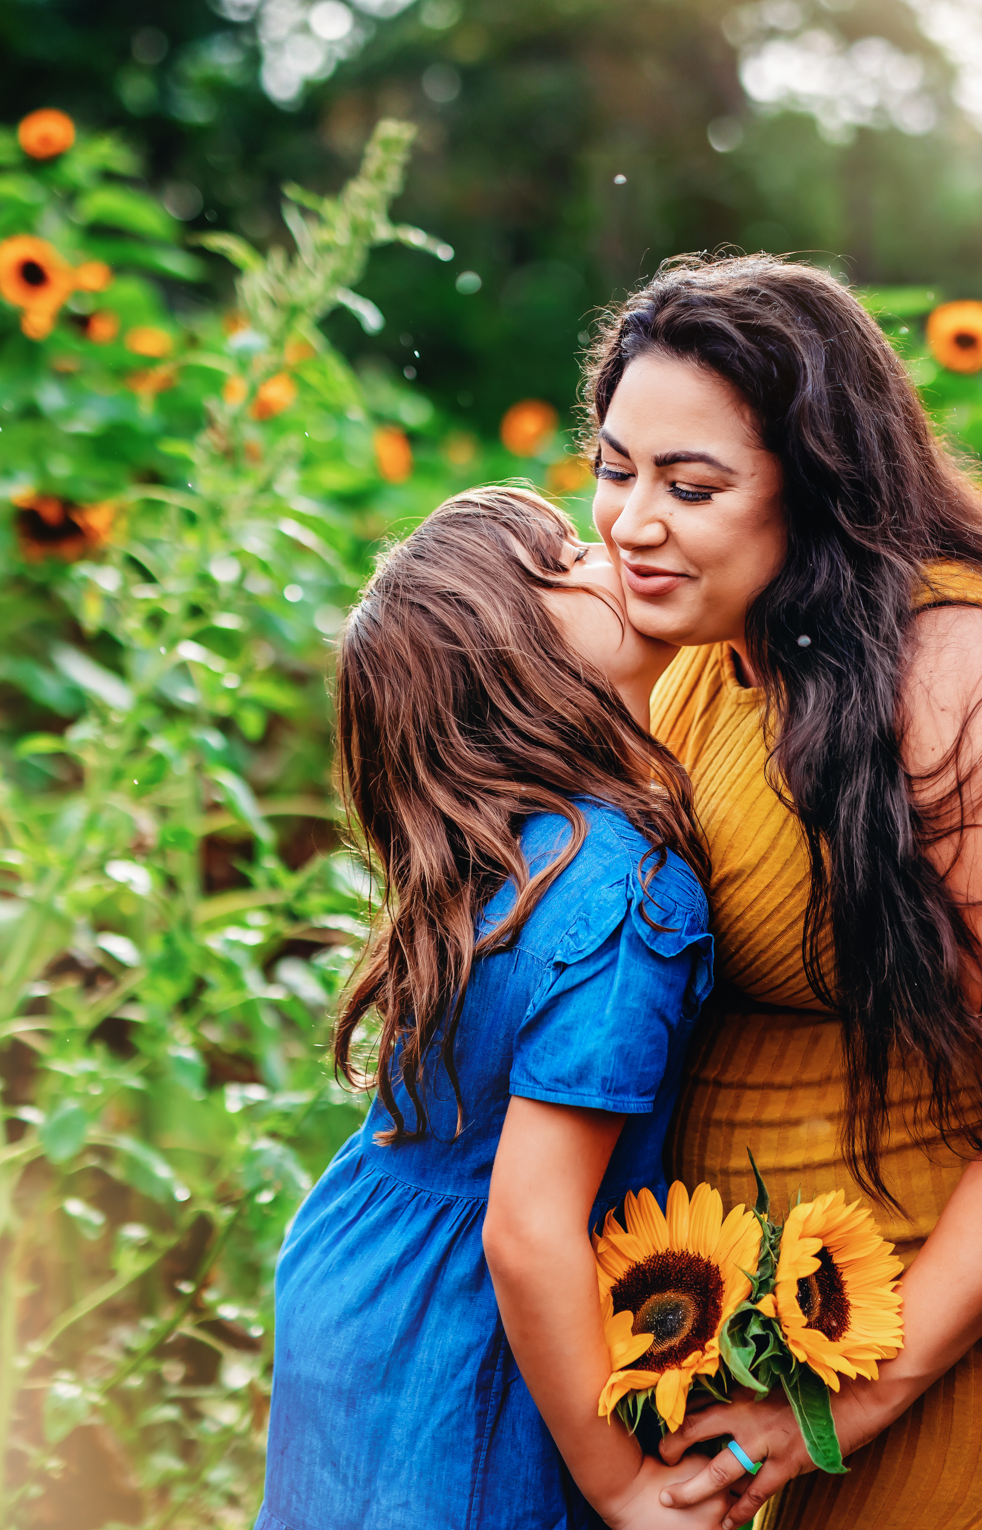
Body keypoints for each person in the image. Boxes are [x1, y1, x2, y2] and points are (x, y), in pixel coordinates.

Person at [583, 256, 982, 1530]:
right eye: (616, 468)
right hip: (861, 1252)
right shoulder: (715, 642)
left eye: (692, 486)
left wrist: (840, 1405)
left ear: (817, 490)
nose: (630, 523)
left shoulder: (972, 689)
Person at [256, 487, 726, 1530]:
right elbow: (526, 1228)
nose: (606, 546)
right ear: (512, 664)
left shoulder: (513, 853)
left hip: (362, 1273)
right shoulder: (622, 890)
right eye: (561, 557)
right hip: (470, 1321)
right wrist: (622, 1488)